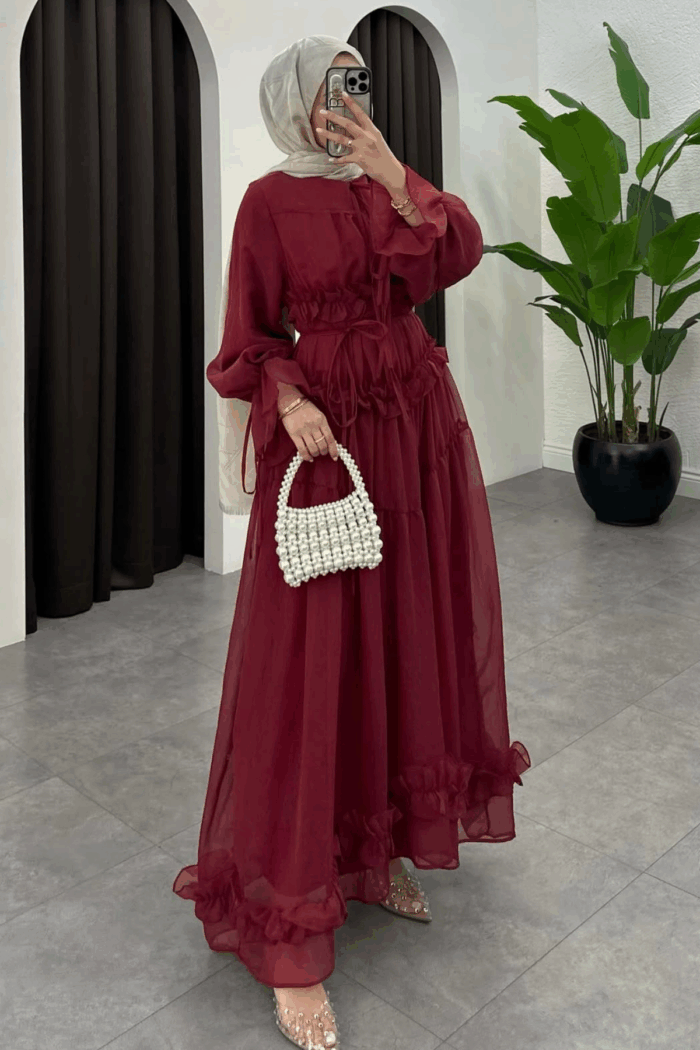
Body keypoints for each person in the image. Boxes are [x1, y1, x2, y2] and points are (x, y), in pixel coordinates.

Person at [173, 36, 530, 1050]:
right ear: (298, 99)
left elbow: (455, 253)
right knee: (313, 658)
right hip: (328, 435)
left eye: (359, 81)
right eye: (335, 84)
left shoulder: (384, 184)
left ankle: (377, 850)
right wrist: (288, 401)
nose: (350, 98)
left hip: (413, 423)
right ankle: (289, 930)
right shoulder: (265, 203)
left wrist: (394, 171)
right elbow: (246, 342)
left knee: (404, 637)